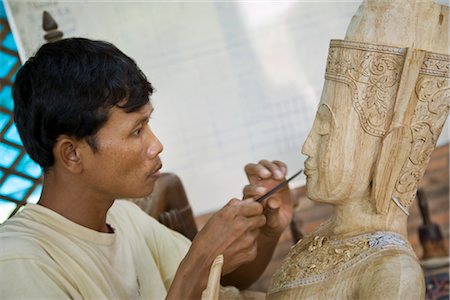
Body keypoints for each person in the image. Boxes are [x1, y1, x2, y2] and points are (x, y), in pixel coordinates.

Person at [0, 37, 292, 299]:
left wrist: (267, 231)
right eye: (136, 131)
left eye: (147, 123)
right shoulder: (19, 264)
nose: (157, 145)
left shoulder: (125, 218)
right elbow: (195, 278)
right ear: (72, 154)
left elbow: (223, 282)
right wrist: (199, 263)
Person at [265, 0, 449, 299]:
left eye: (325, 132)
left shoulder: (390, 272)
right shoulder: (320, 241)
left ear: (384, 149)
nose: (306, 146)